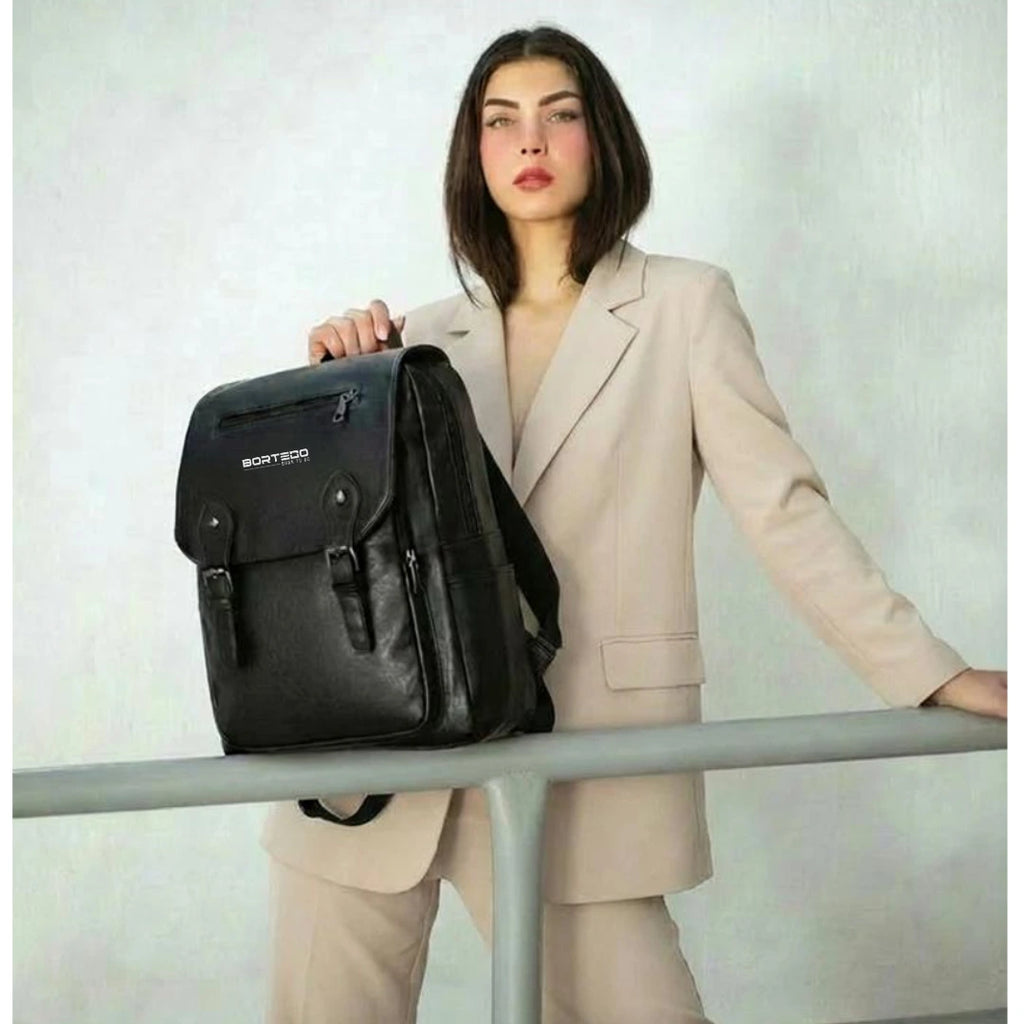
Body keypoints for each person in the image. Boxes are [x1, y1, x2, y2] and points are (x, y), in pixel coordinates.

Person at [260, 24, 1007, 1024]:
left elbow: (783, 510)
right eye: (501, 121)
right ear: (472, 156)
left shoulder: (685, 307)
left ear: (602, 139)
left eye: (559, 116)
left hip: (578, 753)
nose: (530, 142)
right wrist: (329, 392)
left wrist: (930, 671)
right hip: (370, 759)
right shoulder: (420, 340)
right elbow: (338, 551)